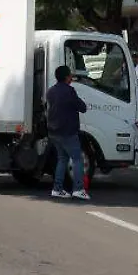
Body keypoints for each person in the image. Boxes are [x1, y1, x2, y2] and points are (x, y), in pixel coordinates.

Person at [45, 66, 90, 200]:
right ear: (66, 77)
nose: (72, 78)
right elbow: (82, 107)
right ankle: (78, 189)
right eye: (70, 75)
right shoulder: (69, 91)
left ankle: (57, 189)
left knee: (62, 159)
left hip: (53, 131)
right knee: (77, 159)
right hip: (68, 131)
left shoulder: (51, 91)